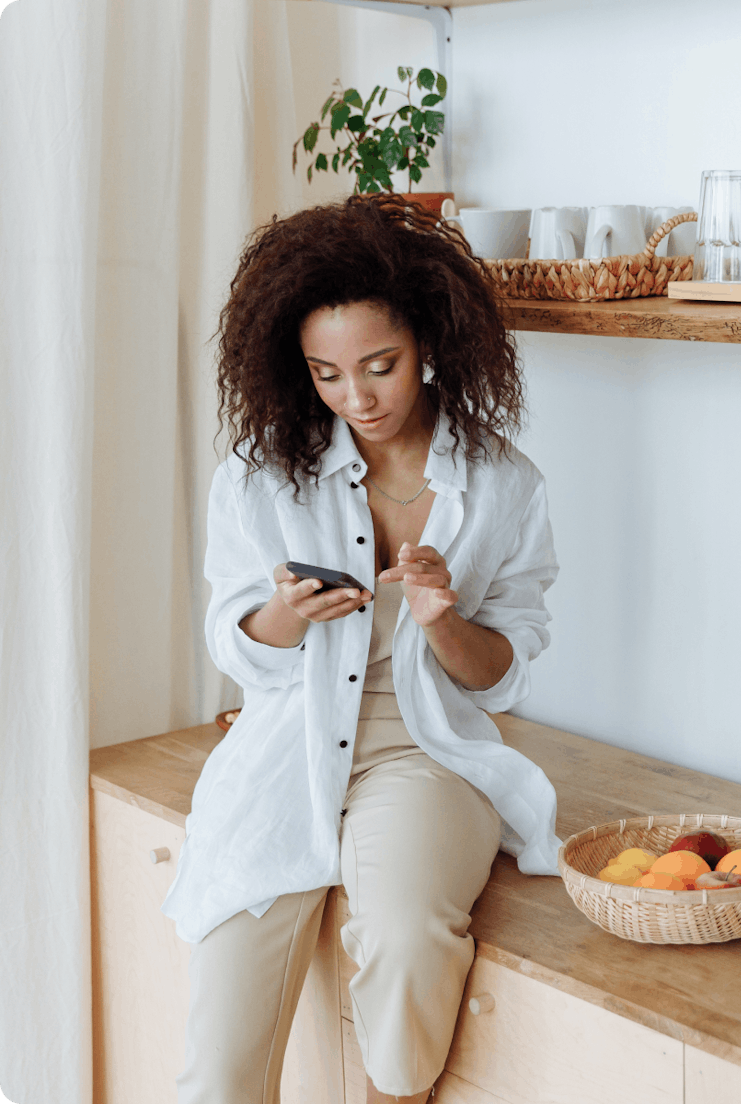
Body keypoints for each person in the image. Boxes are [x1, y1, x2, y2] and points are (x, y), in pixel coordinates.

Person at [161, 193, 563, 1104]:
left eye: (380, 366)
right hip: (282, 751)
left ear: (429, 342)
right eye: (327, 375)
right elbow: (244, 651)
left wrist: (442, 619)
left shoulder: (505, 486)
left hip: (425, 752)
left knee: (410, 937)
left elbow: (506, 675)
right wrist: (288, 615)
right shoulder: (259, 478)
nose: (359, 397)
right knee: (219, 1062)